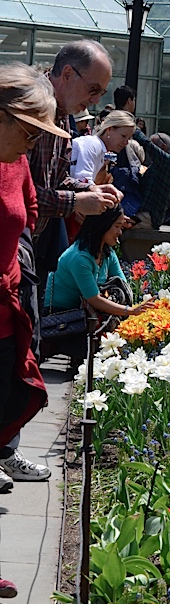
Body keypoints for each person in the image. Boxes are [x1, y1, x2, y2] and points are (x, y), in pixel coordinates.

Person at [0, 64, 72, 510]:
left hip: (6, 312)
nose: (34, 144)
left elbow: (26, 213)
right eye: (29, 132)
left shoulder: (15, 160)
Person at [28, 41, 122, 310]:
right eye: (93, 90)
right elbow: (20, 195)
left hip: (31, 244)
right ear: (67, 73)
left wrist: (88, 189)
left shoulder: (62, 114)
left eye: (101, 93)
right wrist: (76, 202)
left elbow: (55, 179)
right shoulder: (31, 108)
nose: (95, 100)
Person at [45, 206, 155, 322]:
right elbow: (94, 299)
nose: (120, 232)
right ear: (102, 225)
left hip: (87, 312)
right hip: (61, 316)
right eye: (117, 226)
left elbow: (123, 285)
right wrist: (130, 311)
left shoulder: (107, 253)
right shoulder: (79, 257)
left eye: (121, 227)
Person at [113, 85, 170, 229]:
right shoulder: (153, 165)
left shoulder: (167, 162)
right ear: (130, 100)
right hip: (133, 201)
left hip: (144, 212)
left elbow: (147, 147)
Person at [70, 111, 135, 186]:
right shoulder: (93, 144)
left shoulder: (100, 149)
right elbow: (83, 181)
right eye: (123, 136)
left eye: (129, 139)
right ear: (109, 129)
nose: (126, 142)